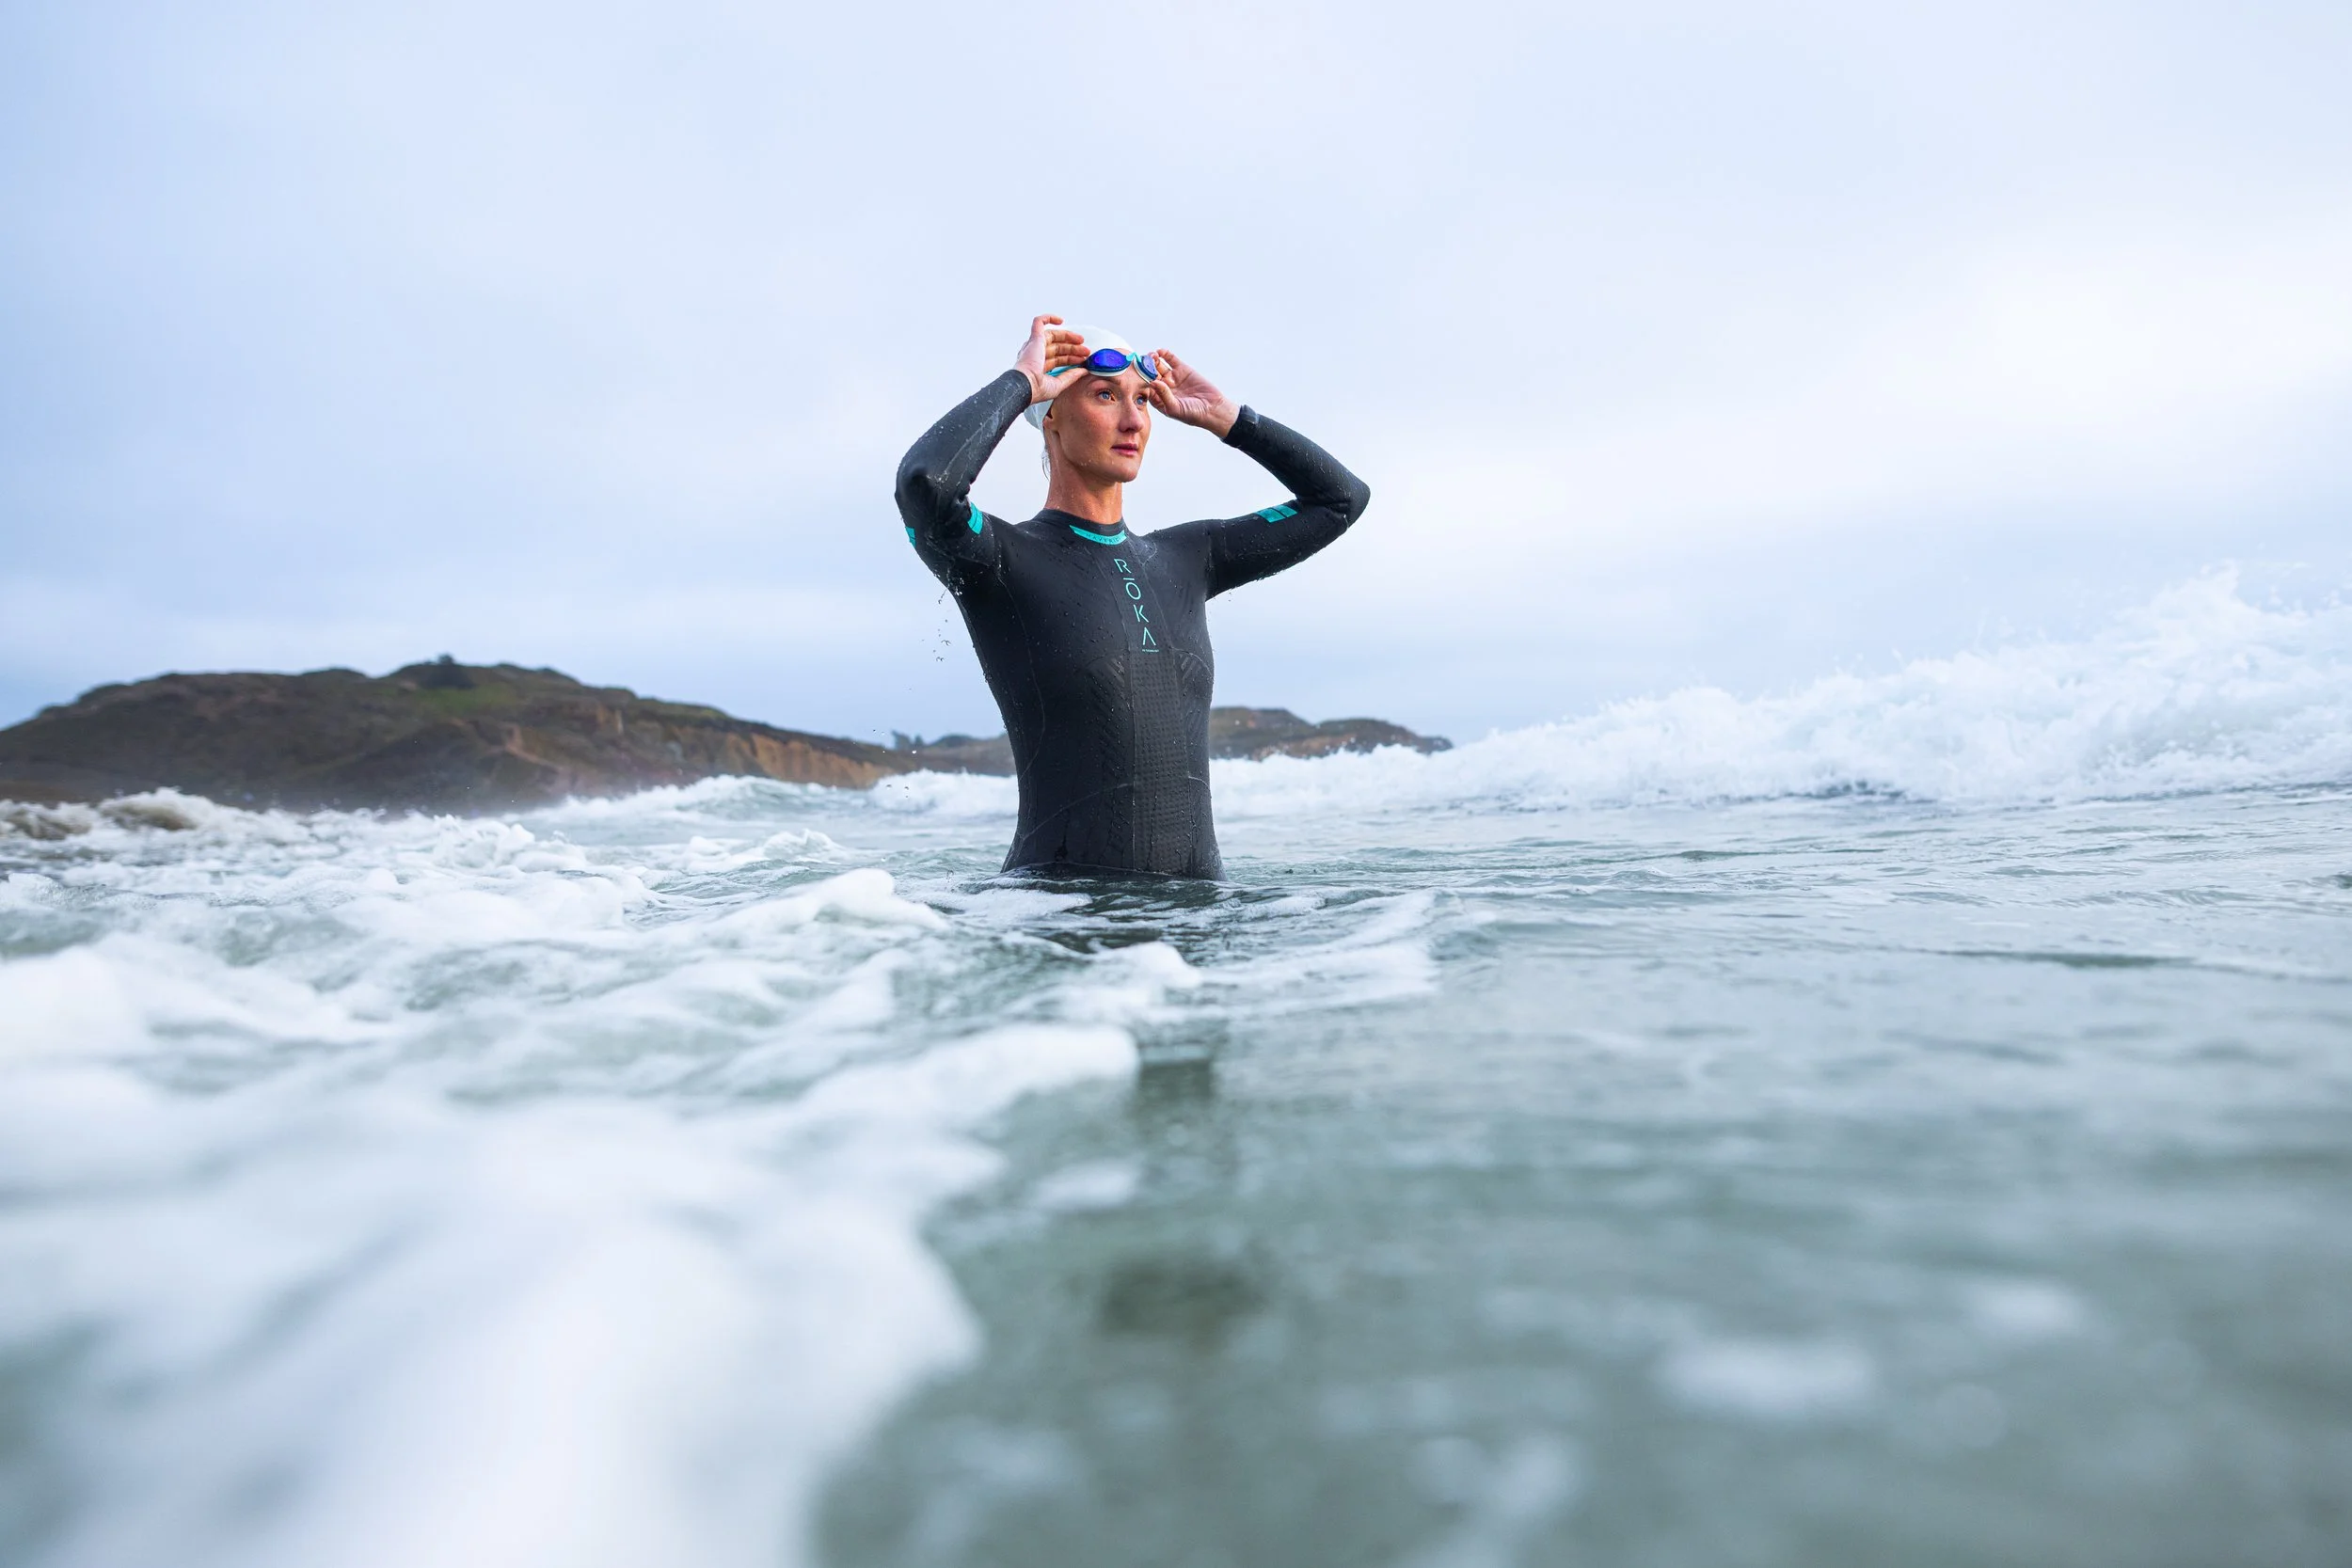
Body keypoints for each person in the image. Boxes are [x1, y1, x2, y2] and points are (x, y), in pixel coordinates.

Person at [895, 314, 1371, 879]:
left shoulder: (1187, 558)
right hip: (1064, 929)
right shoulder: (1002, 559)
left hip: (1196, 938)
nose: (1133, 421)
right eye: (1104, 396)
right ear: (1052, 417)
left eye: (1142, 401)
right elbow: (926, 483)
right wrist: (1021, 381)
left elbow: (1340, 500)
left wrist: (1228, 419)